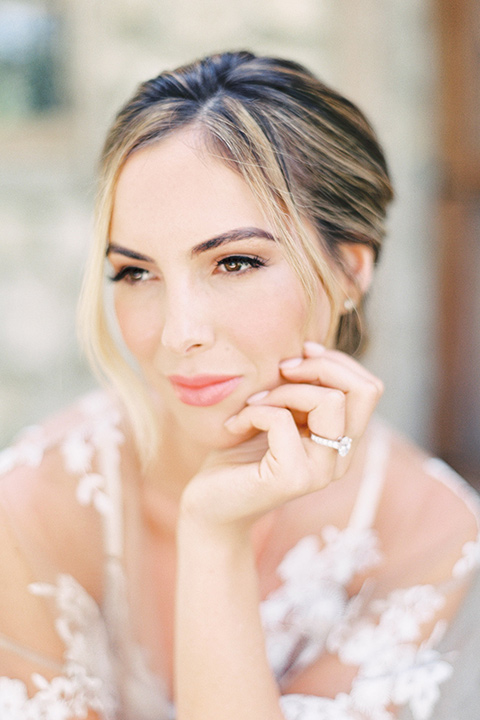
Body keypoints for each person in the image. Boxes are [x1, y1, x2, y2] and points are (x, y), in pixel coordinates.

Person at [0, 50, 479, 720]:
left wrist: (213, 537)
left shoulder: (427, 534)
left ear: (350, 270)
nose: (178, 332)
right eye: (136, 273)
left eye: (236, 261)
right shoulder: (30, 508)